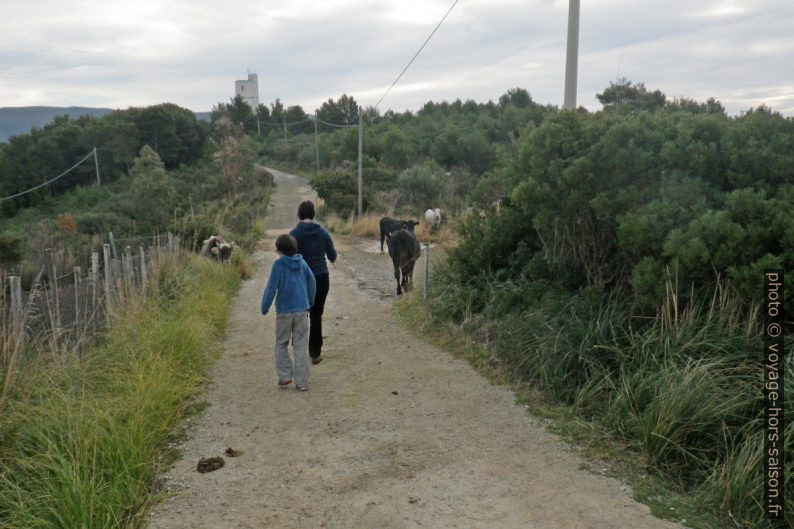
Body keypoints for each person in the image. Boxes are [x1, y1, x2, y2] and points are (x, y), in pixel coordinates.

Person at [261, 234, 316, 391]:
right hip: (301, 311)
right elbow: (312, 282)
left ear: (279, 250)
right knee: (300, 345)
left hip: (284, 312)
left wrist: (265, 307)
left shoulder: (278, 266)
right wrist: (309, 302)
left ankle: (285, 376)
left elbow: (271, 289)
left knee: (281, 343)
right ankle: (302, 382)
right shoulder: (303, 263)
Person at [290, 200, 337, 365]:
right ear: (313, 214)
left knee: (300, 314)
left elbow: (287, 259)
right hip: (321, 278)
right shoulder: (323, 233)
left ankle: (299, 350)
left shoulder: (294, 235)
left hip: (301, 279)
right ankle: (315, 353)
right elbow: (332, 256)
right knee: (316, 315)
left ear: (299, 215)